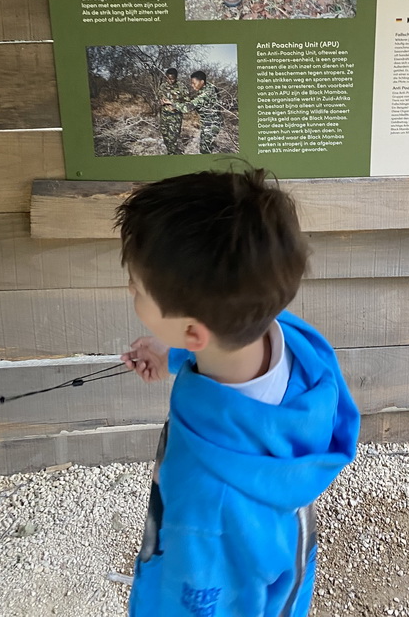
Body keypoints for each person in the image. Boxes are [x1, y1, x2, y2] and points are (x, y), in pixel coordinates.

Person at [117, 169, 360, 617]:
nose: (130, 289)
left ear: (193, 332)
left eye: (136, 287)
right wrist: (171, 354)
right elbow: (230, 349)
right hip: (281, 570)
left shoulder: (205, 503)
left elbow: (194, 603)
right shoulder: (298, 348)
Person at [186, 70, 222, 155]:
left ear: (202, 82)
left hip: (211, 124)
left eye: (194, 83)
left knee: (204, 149)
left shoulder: (208, 92)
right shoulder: (208, 86)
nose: (192, 85)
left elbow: (187, 107)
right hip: (208, 122)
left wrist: (172, 104)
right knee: (206, 146)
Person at [157, 67, 188, 155]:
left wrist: (172, 103)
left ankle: (173, 156)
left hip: (175, 117)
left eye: (172, 79)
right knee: (166, 137)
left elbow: (187, 103)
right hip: (164, 116)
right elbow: (160, 96)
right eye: (168, 78)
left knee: (173, 139)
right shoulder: (163, 86)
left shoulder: (182, 87)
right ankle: (170, 152)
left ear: (176, 77)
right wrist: (161, 102)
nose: (170, 81)